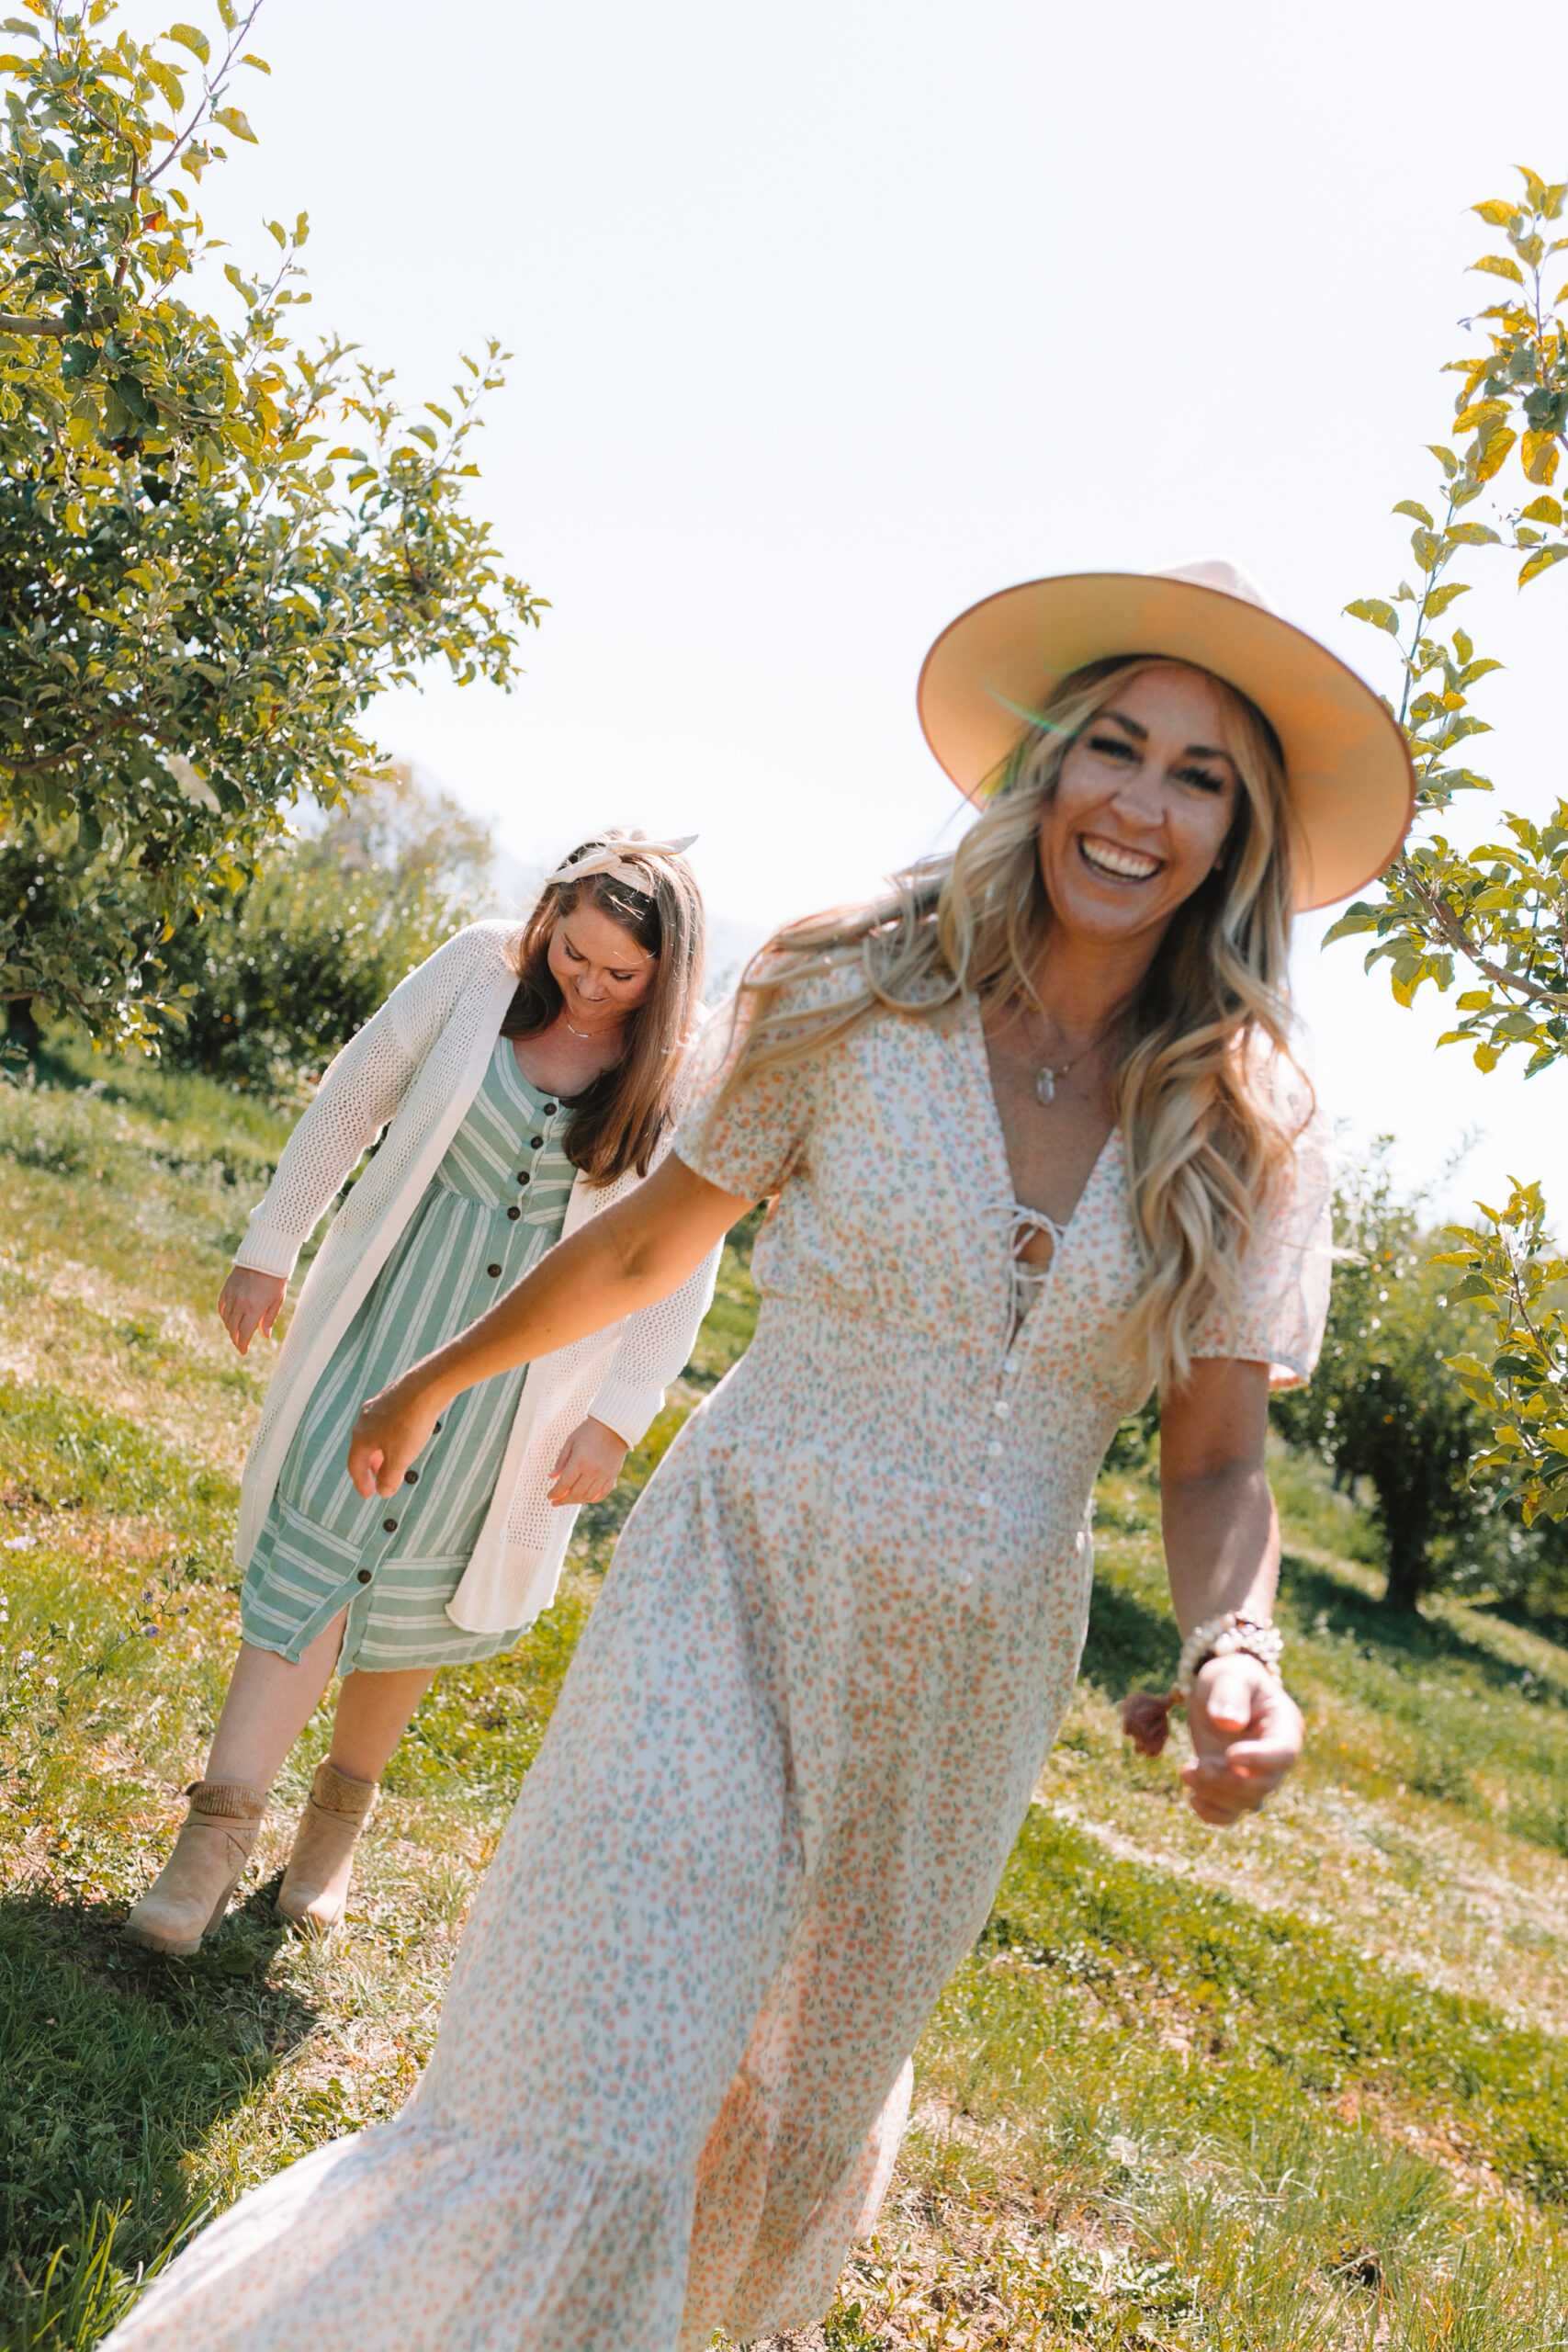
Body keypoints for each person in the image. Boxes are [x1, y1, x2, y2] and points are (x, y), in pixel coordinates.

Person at [104, 560, 1414, 2351]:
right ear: (1044, 768)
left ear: (1236, 836)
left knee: (783, 2122)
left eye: (1196, 774)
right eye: (1111, 745)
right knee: (604, 2072)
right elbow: (655, 1239)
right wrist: (434, 1374)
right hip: (731, 1575)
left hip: (968, 1670)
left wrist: (1231, 1643)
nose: (1137, 800)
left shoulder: (1243, 1116)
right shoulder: (851, 990)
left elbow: (1213, 1457)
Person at [124, 832, 719, 1955]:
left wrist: (616, 1415)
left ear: (664, 976)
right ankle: (207, 1849)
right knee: (315, 1552)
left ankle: (332, 1832)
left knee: (413, 1605)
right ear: (548, 919)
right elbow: (356, 1098)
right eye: (575, 951)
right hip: (382, 1332)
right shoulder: (481, 969)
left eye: (617, 973)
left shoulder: (679, 1075)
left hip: (516, 1398)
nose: (587, 983)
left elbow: (682, 1263)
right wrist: (271, 1241)